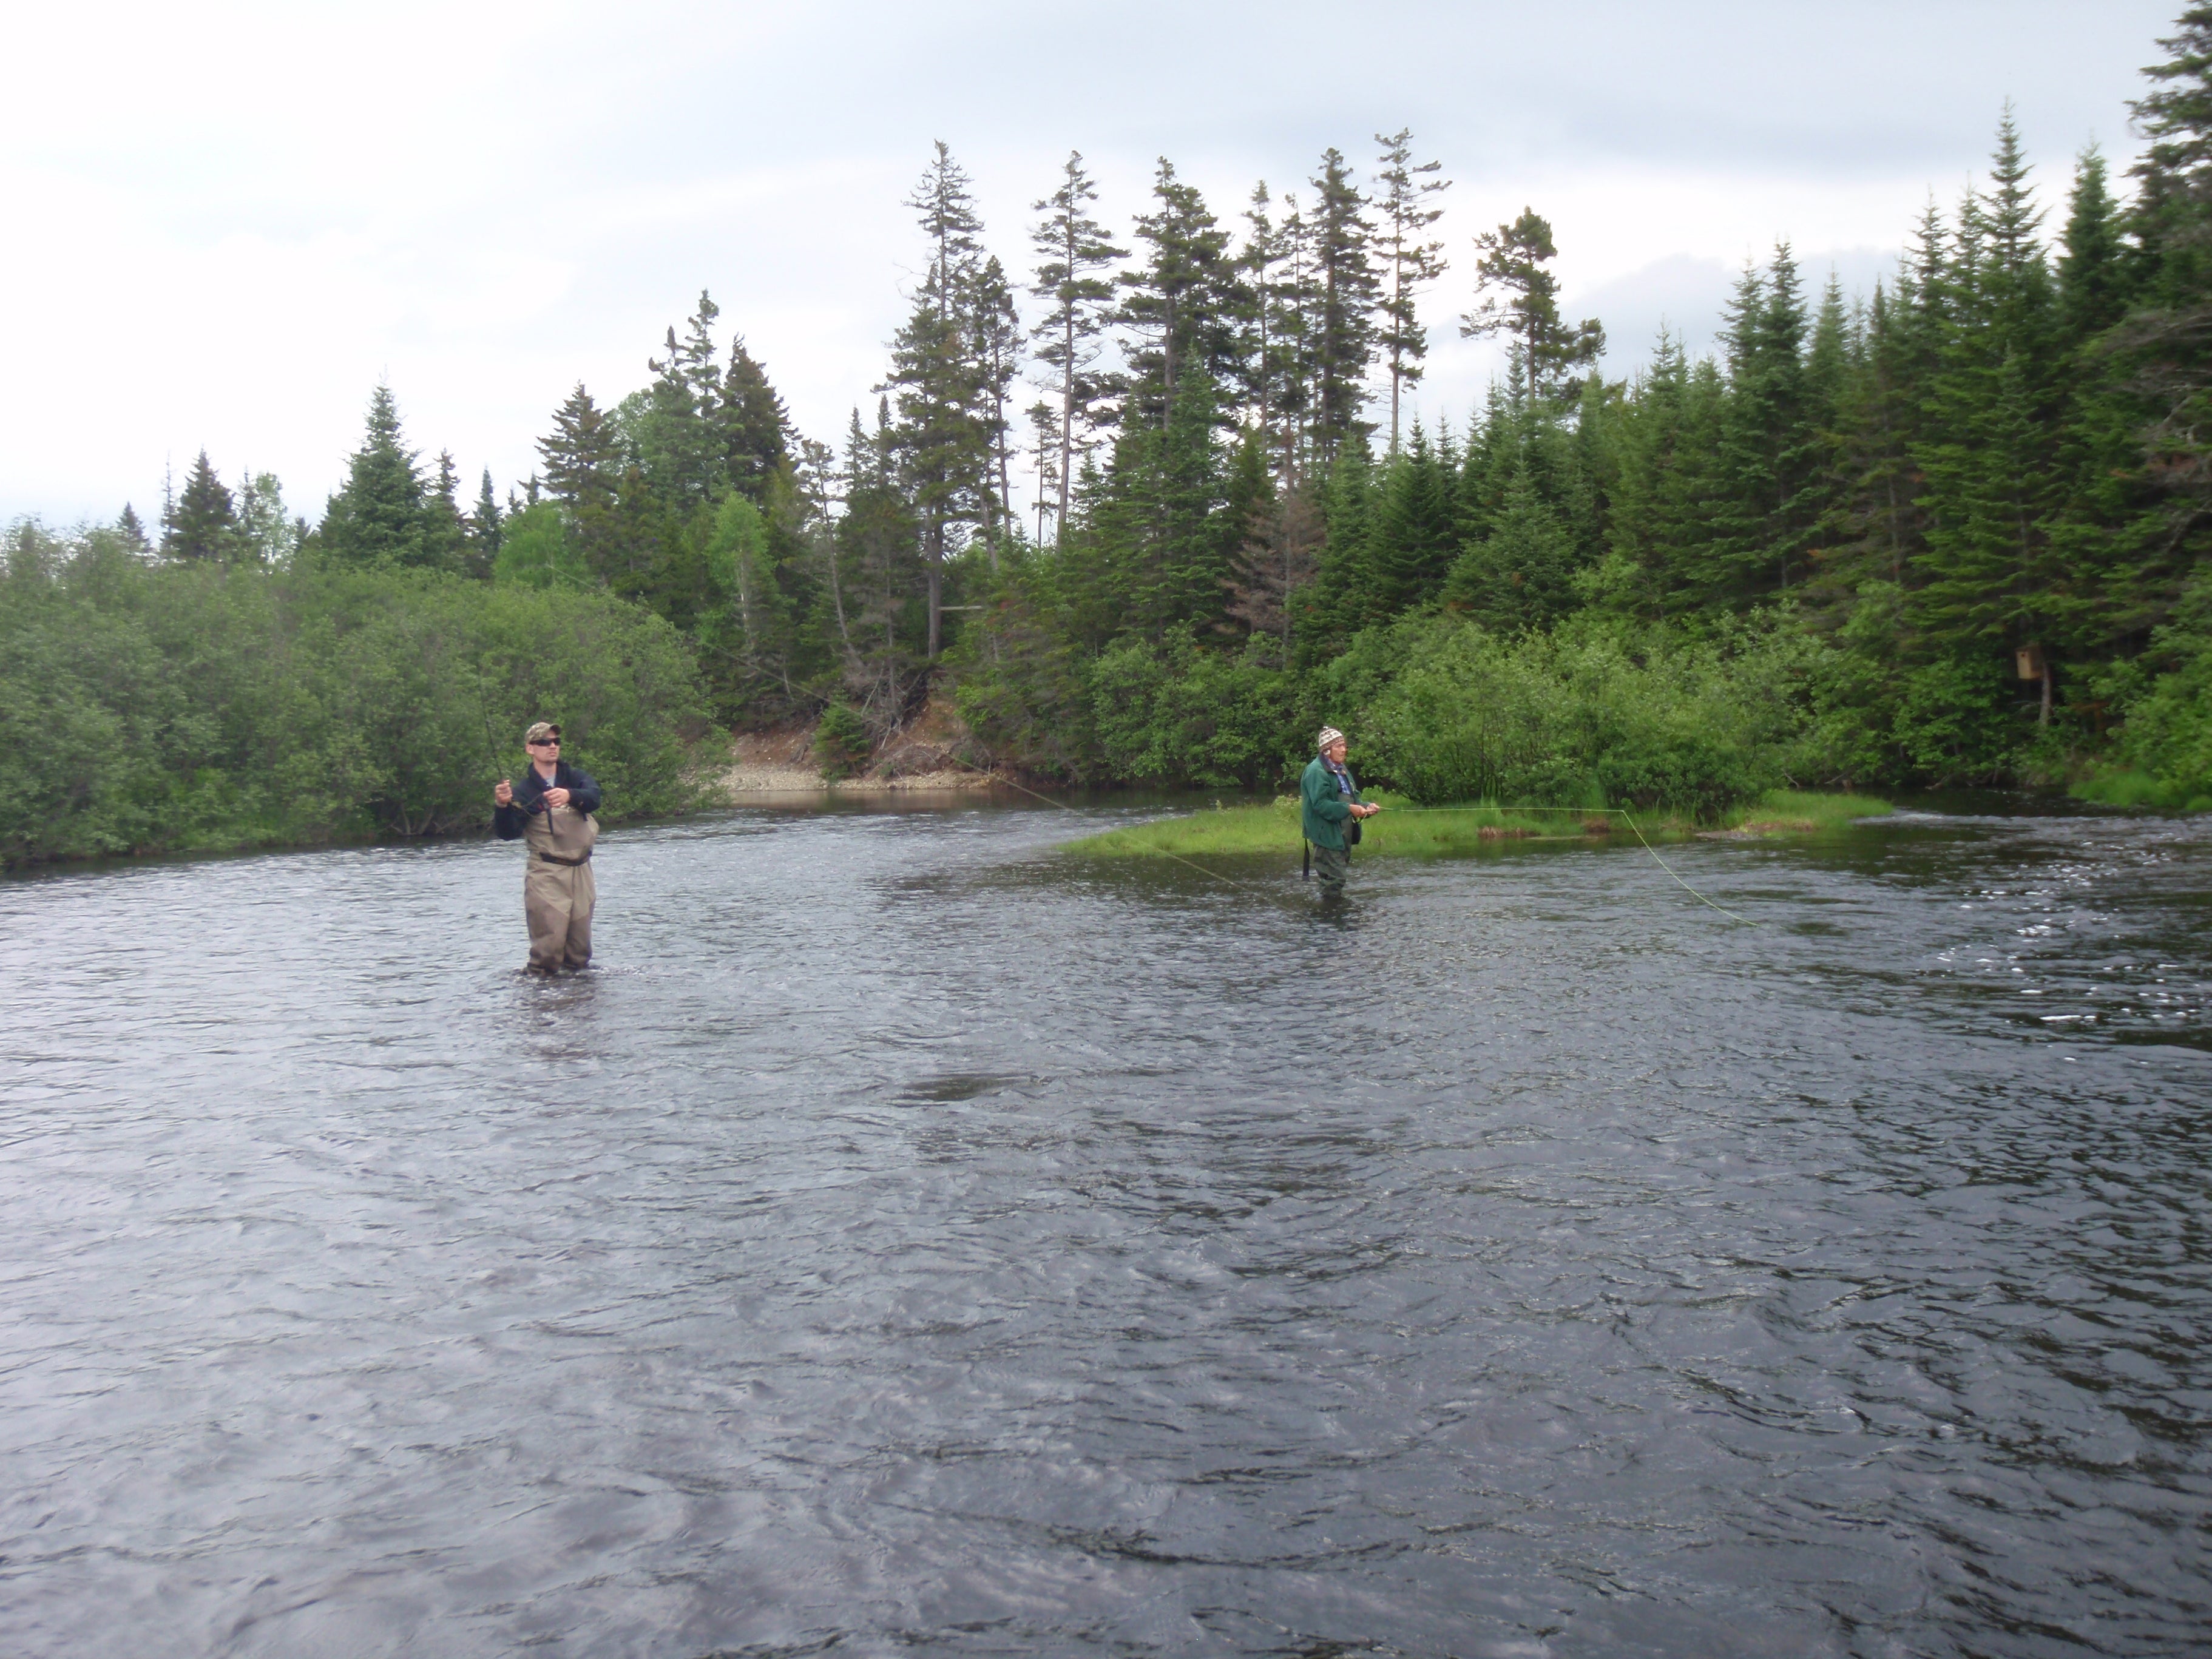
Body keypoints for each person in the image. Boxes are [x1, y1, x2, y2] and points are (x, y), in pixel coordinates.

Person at [493, 721, 603, 973]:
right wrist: (502, 806)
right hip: (547, 874)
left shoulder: (575, 777)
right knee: (548, 953)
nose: (552, 746)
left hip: (582, 871)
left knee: (580, 952)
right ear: (530, 749)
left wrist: (570, 796)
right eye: (544, 742)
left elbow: (595, 797)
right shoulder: (524, 791)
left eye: (556, 742)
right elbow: (508, 833)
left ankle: (581, 1004)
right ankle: (542, 1002)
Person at [1300, 726, 1379, 897]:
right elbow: (1320, 805)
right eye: (1339, 746)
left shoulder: (1342, 769)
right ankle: (1329, 919)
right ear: (1327, 750)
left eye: (1344, 745)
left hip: (1344, 834)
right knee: (1334, 880)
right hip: (1326, 834)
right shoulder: (1316, 771)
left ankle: (1333, 917)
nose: (1344, 750)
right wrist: (1349, 808)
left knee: (1338, 879)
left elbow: (1354, 797)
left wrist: (1367, 807)